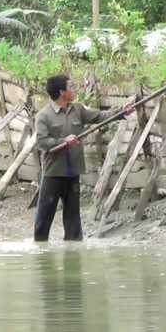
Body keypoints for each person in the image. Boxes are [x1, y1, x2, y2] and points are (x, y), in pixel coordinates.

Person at [34, 75, 135, 241]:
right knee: (43, 219)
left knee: (73, 218)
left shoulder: (78, 110)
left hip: (73, 172)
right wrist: (63, 141)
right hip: (53, 174)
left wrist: (121, 112)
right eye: (71, 87)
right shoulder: (44, 116)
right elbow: (42, 142)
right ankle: (40, 250)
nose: (74, 90)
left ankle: (73, 251)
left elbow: (100, 117)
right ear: (62, 92)